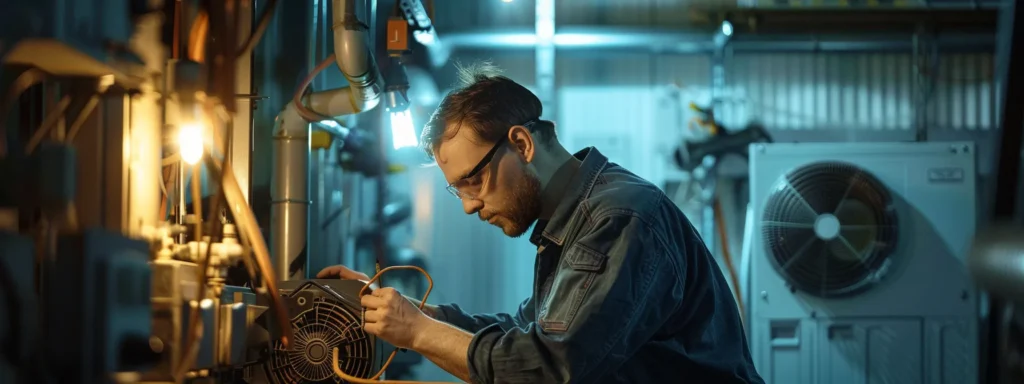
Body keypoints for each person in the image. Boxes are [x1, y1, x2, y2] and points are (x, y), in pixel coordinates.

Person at [318, 62, 763, 383]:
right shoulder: (574, 221)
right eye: (458, 190)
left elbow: (548, 368)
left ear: (522, 143)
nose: (469, 206)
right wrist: (412, 315)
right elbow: (523, 335)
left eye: (472, 180)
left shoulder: (618, 218)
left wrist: (418, 333)